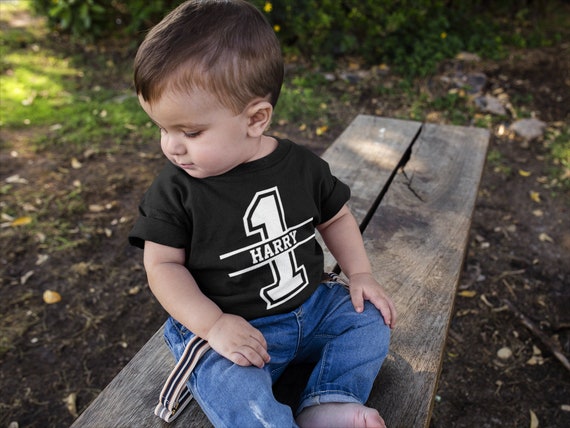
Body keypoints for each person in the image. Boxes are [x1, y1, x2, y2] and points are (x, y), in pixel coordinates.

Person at [128, 1, 396, 426]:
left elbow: (336, 218)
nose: (171, 146)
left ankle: (328, 402)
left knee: (370, 322)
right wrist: (212, 324)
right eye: (162, 128)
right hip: (229, 327)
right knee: (232, 386)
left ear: (255, 118)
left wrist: (360, 275)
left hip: (311, 306)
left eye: (190, 132)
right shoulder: (176, 189)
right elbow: (161, 265)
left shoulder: (299, 166)